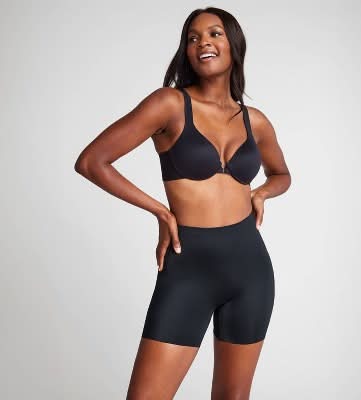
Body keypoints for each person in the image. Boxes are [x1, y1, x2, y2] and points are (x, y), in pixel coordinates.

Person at [74, 6, 291, 400]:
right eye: (193, 38)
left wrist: (261, 192)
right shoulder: (169, 104)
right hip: (189, 268)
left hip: (251, 270)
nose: (203, 42)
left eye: (214, 33)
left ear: (233, 45)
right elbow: (92, 162)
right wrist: (160, 210)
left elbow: (282, 175)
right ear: (186, 51)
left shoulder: (254, 120)